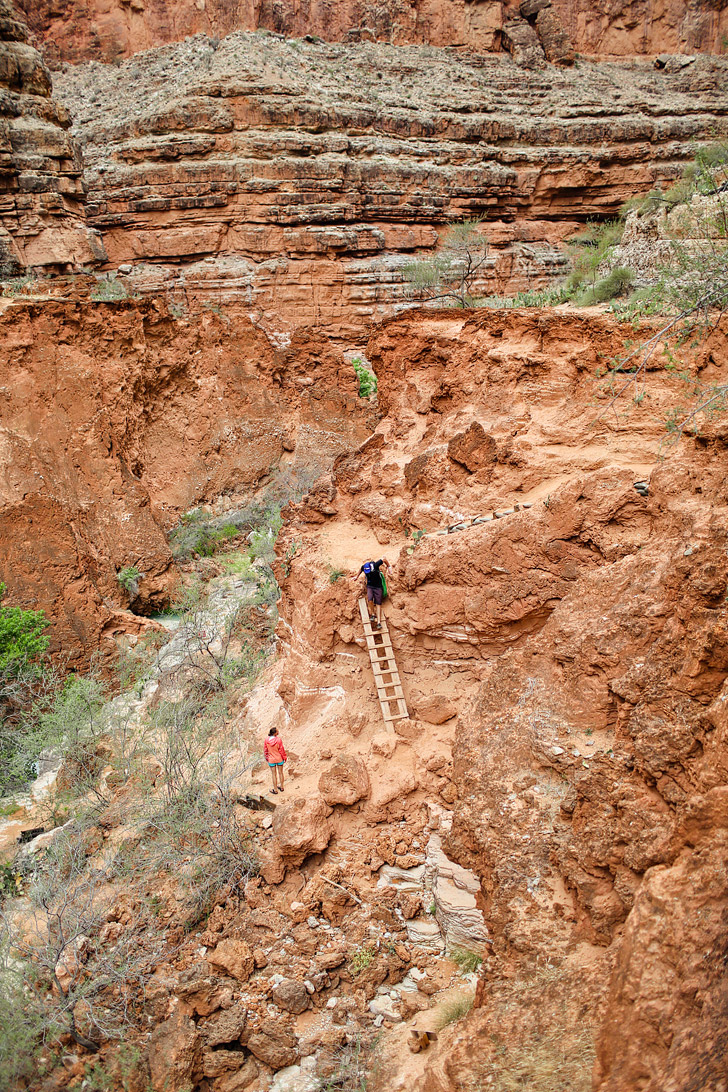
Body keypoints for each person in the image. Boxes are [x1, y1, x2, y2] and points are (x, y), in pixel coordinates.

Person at [351, 557, 391, 629]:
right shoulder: (364, 567)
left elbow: (384, 559)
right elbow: (361, 569)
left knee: (378, 603)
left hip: (378, 586)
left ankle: (379, 622)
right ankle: (372, 614)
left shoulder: (375, 565)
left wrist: (389, 567)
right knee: (369, 599)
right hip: (370, 586)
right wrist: (356, 577)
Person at [263, 726, 287, 794]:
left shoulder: (266, 740)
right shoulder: (278, 740)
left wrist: (267, 758)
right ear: (275, 733)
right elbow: (281, 750)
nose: (278, 732)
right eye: (277, 731)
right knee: (281, 773)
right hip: (279, 758)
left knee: (274, 774)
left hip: (271, 759)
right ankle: (282, 787)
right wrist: (284, 757)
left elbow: (265, 750)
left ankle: (275, 789)